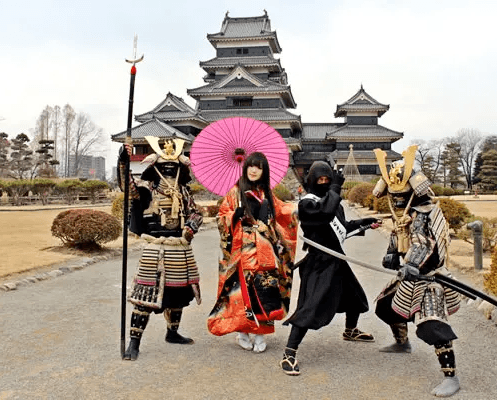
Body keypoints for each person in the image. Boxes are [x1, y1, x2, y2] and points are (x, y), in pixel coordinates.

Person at [371, 145, 461, 397]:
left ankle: (451, 376)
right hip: (408, 276)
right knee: (385, 306)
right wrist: (392, 254)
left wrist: (412, 264)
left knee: (433, 326)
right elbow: (398, 236)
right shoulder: (405, 213)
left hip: (430, 278)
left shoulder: (425, 212)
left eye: (402, 195)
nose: (397, 200)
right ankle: (402, 343)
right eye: (394, 194)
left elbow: (426, 244)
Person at [280, 160, 380, 376]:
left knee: (355, 297)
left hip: (337, 261)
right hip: (318, 264)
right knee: (310, 307)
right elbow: (324, 214)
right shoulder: (307, 204)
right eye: (320, 180)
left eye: (328, 180)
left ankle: (350, 330)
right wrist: (335, 188)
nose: (324, 184)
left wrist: (365, 222)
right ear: (311, 181)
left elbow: (342, 228)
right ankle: (289, 353)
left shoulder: (335, 204)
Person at [118, 136, 203, 361]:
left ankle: (172, 333)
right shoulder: (147, 191)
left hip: (180, 247)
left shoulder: (184, 192)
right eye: (164, 167)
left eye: (173, 168)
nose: (168, 172)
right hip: (155, 248)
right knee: (144, 295)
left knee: (178, 295)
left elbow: (196, 212)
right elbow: (128, 187)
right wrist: (124, 162)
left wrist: (191, 228)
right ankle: (134, 343)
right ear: (154, 167)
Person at [207, 152, 298, 353]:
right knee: (242, 293)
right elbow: (221, 218)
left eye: (259, 167)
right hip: (241, 249)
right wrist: (234, 215)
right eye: (250, 166)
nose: (254, 170)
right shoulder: (235, 192)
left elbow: (283, 213)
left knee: (264, 291)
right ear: (245, 168)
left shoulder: (267, 193)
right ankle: (242, 332)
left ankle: (260, 333)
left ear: (264, 171)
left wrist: (300, 210)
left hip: (265, 249)